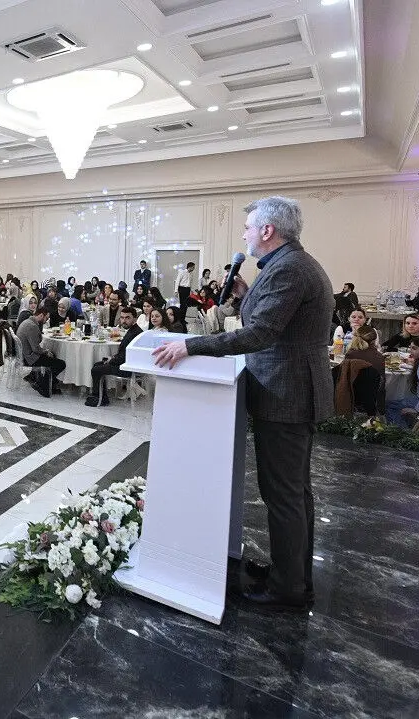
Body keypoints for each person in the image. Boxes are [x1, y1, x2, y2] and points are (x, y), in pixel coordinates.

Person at [152, 196, 333, 611]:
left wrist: (191, 346)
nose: (244, 233)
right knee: (292, 493)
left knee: (284, 495)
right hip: (289, 389)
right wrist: (248, 294)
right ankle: (292, 574)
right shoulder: (287, 264)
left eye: (249, 227)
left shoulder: (289, 268)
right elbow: (279, 322)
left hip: (287, 393)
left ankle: (289, 589)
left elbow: (261, 334)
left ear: (268, 230)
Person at [85, 305, 143, 407]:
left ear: (135, 319)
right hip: (126, 363)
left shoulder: (135, 333)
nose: (124, 321)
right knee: (97, 365)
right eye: (122, 318)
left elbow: (126, 356)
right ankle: (102, 397)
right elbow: (124, 354)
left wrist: (112, 360)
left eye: (127, 318)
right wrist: (112, 358)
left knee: (96, 370)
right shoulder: (133, 330)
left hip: (128, 368)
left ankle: (98, 398)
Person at [17, 305, 66, 398]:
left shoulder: (27, 322)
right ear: (41, 315)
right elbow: (36, 348)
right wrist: (46, 351)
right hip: (30, 358)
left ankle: (48, 383)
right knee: (61, 364)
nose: (46, 321)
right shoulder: (32, 326)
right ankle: (42, 384)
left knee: (52, 357)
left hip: (25, 354)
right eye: (46, 318)